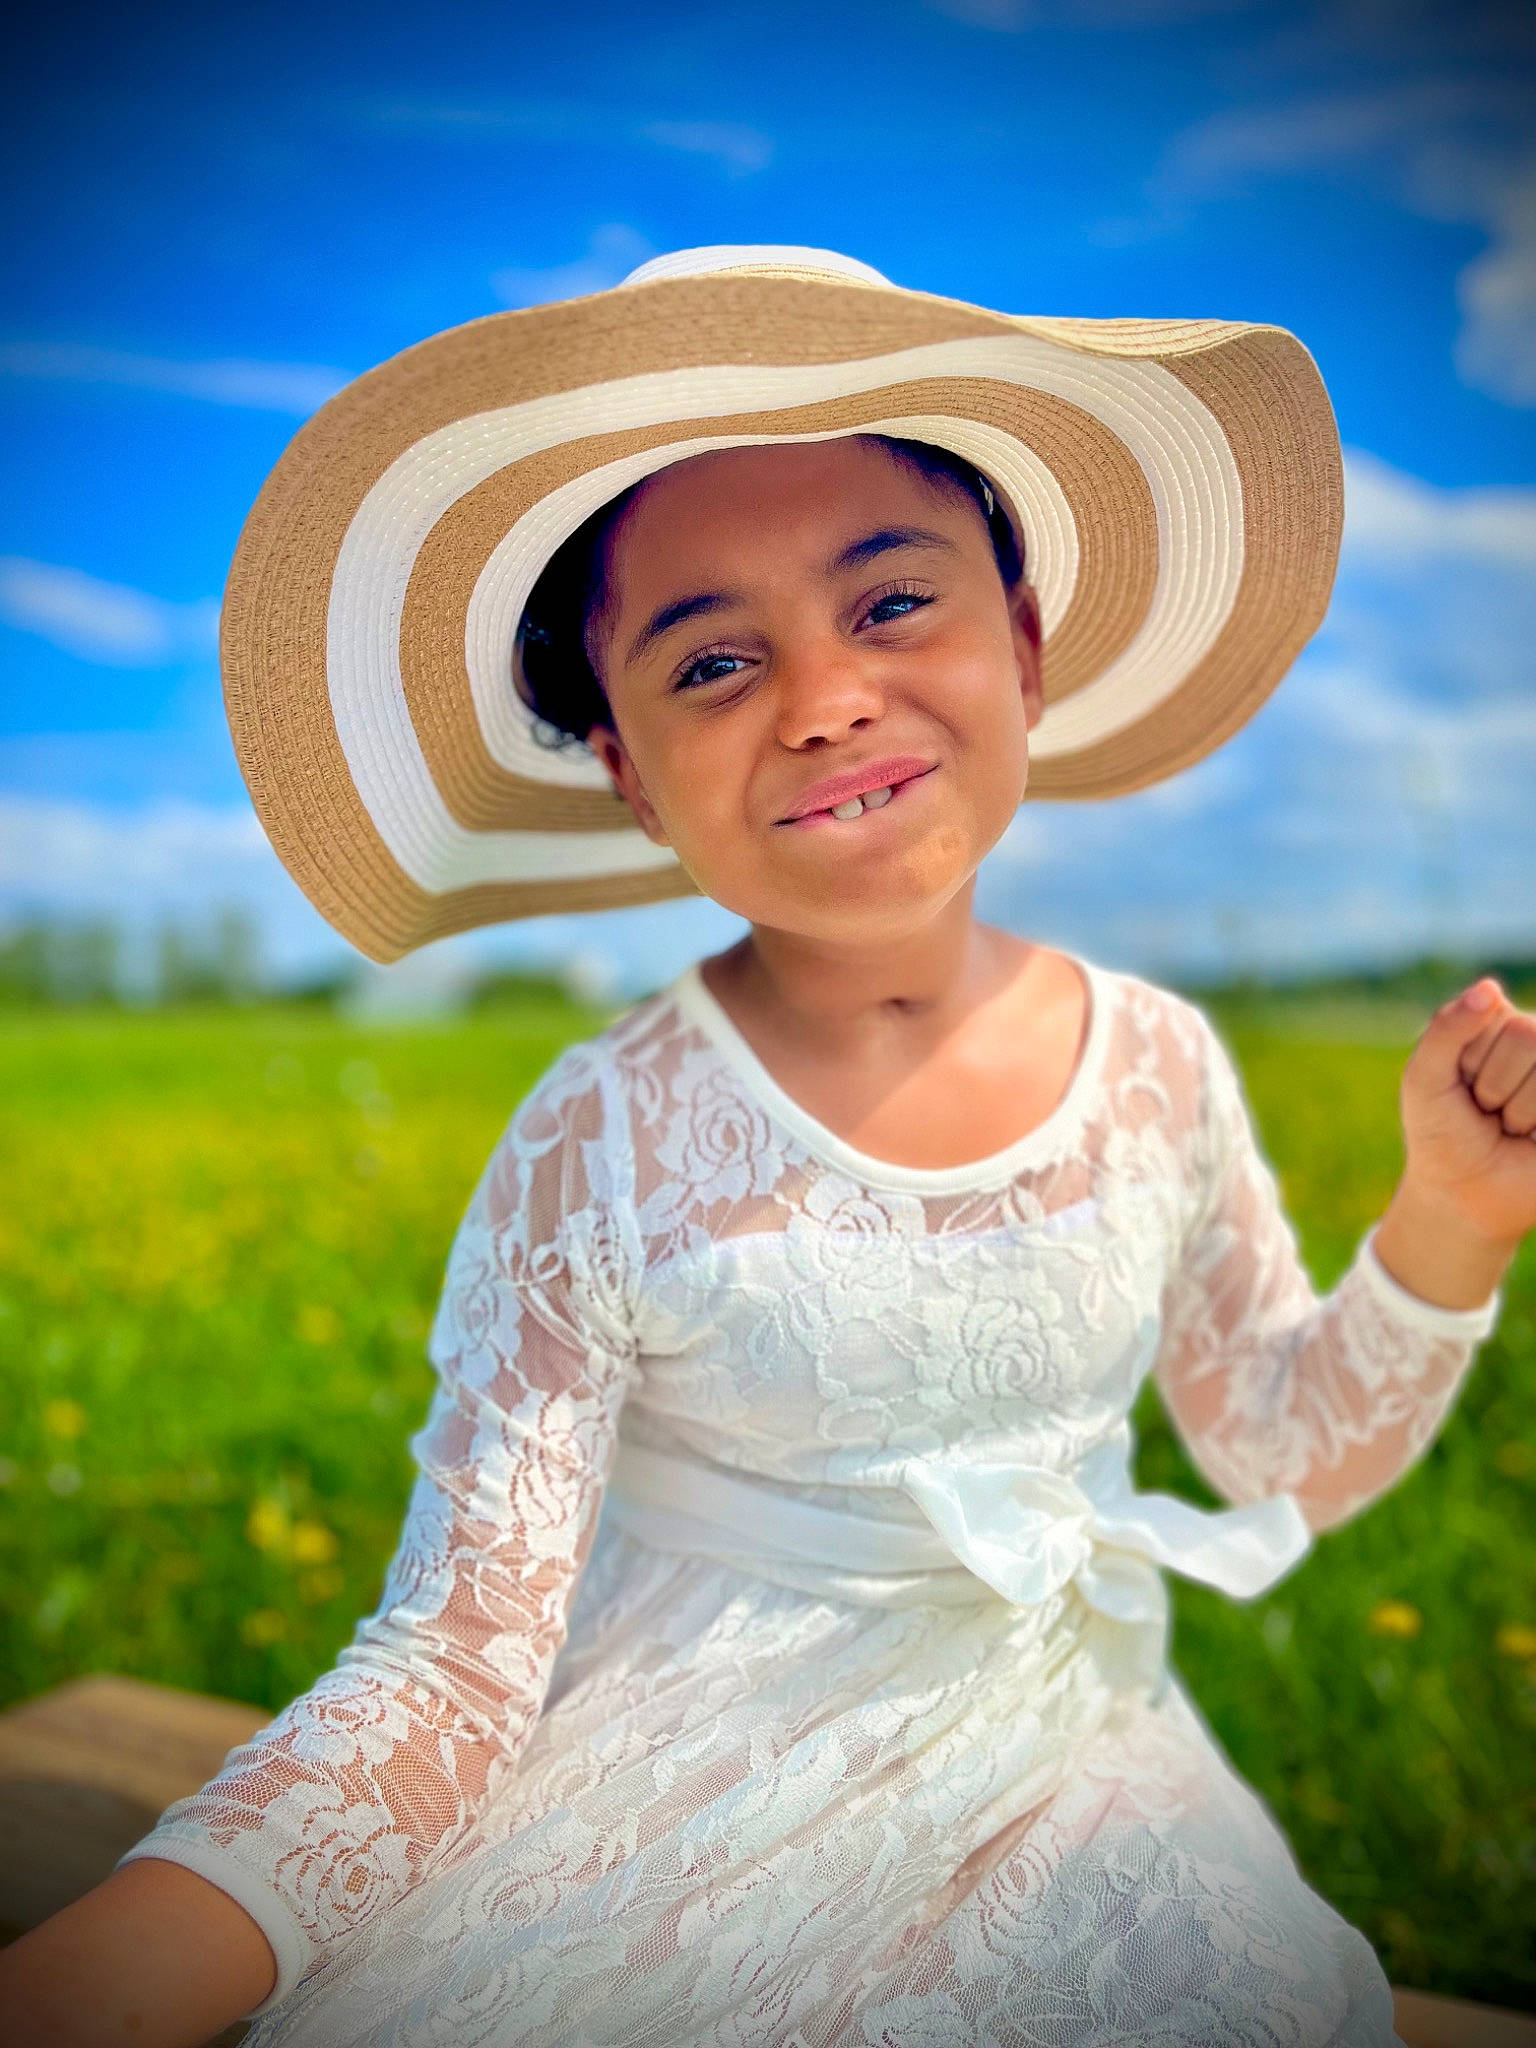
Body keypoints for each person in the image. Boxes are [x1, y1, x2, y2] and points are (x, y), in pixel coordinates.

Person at [3, 246, 1533, 2048]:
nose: (823, 698)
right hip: (685, 1795)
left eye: (892, 606)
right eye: (715, 660)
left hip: (1074, 1783)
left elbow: (1273, 1442)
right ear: (629, 776)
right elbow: (449, 1672)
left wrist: (1448, 1219)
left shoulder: (1157, 1067)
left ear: (1026, 646)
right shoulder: (605, 1139)